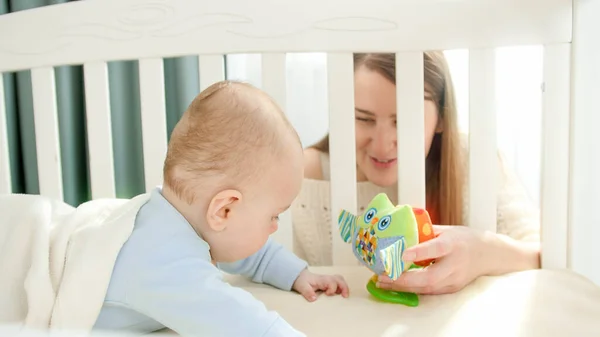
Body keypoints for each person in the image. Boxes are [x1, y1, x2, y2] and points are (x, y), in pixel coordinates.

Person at [93, 81, 349, 336]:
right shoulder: (167, 266)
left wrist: (295, 273)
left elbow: (234, 246)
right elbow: (244, 324)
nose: (274, 226)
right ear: (224, 210)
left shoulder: (173, 219)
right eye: (274, 215)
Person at [291, 52, 541, 295]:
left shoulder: (473, 160)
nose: (382, 144)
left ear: (441, 117)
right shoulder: (304, 175)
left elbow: (542, 253)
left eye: (403, 121)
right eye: (363, 119)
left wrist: (481, 252)